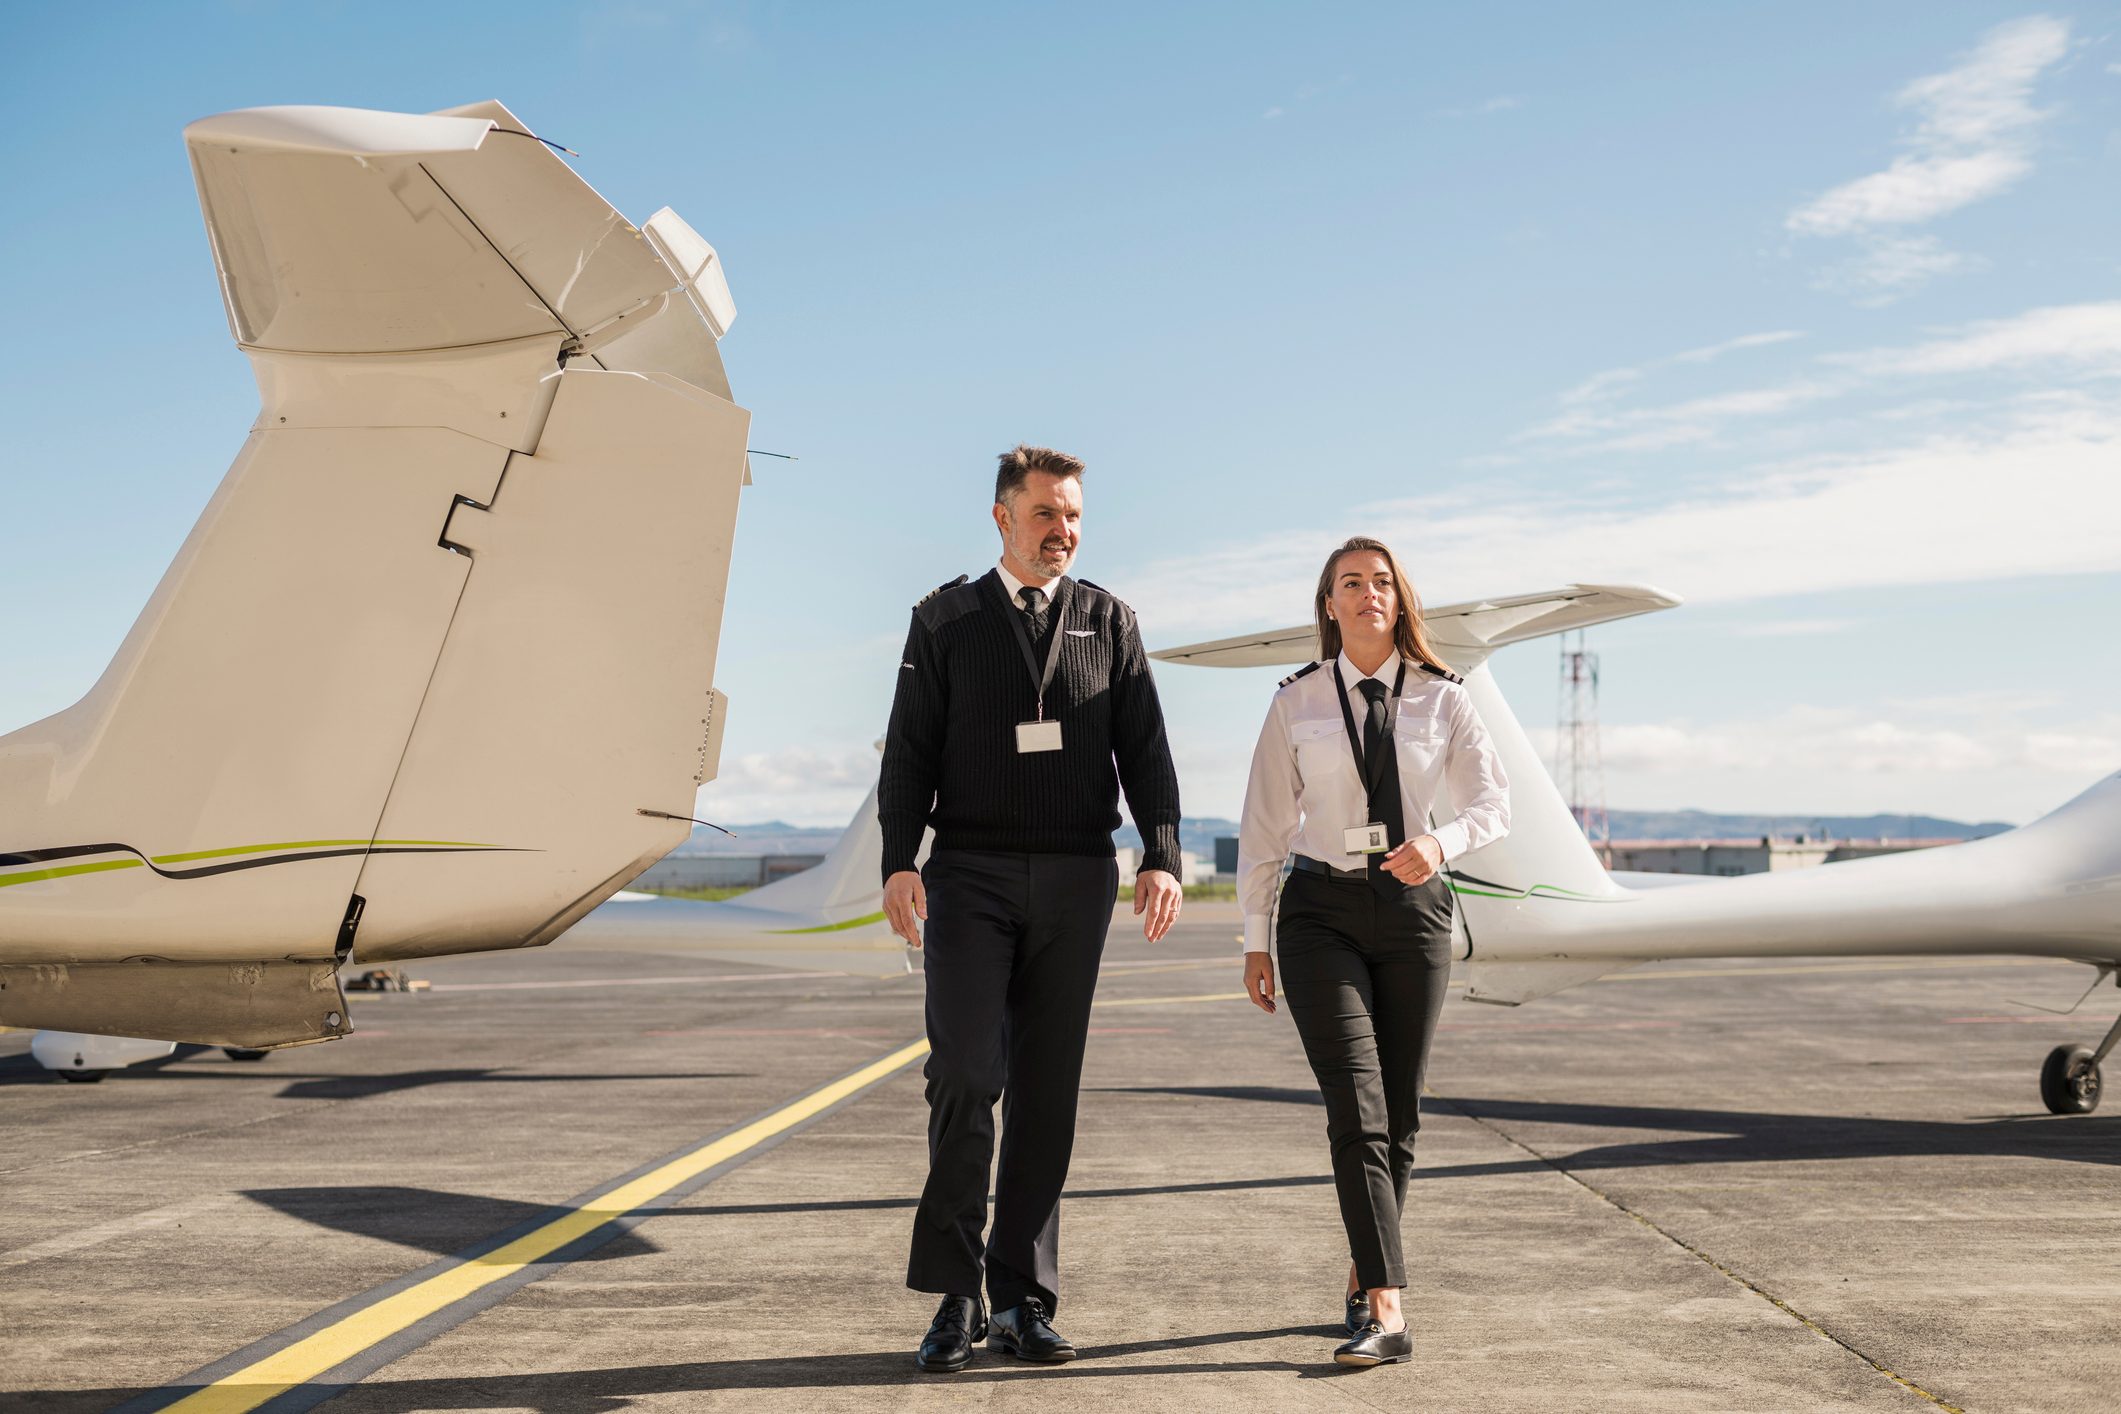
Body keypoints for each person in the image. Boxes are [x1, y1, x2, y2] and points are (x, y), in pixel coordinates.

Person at [880, 443, 1185, 1373]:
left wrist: (1161, 853)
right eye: (1048, 514)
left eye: (1075, 518)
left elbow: (1147, 750)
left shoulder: (1110, 621)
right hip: (968, 875)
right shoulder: (944, 620)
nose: (1064, 532)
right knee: (967, 1075)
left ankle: (1020, 1300)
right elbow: (907, 753)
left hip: (1075, 876)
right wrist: (900, 860)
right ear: (1003, 517)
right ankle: (953, 1296)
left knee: (1047, 1092)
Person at [1235, 535, 1509, 1368]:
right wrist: (1255, 938)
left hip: (1414, 907)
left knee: (1398, 1110)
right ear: (1328, 605)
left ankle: (1364, 1267)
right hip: (1319, 912)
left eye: (1380, 582)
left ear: (1400, 600)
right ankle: (1387, 1306)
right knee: (1354, 1105)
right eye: (1349, 583)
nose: (1366, 595)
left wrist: (1443, 841)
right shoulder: (1296, 701)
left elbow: (1495, 804)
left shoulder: (1442, 698)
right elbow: (1261, 826)